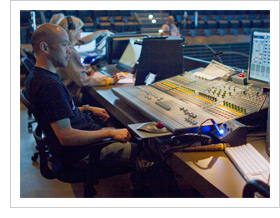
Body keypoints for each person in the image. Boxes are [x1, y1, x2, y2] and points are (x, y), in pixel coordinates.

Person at [24, 23, 143, 189]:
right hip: (82, 153)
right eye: (65, 45)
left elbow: (57, 114)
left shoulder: (38, 76)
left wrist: (86, 108)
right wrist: (109, 132)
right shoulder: (50, 85)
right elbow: (66, 136)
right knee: (147, 153)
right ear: (45, 47)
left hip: (81, 143)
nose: (69, 50)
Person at [56, 15, 125, 104]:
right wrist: (110, 80)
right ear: (72, 31)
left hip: (64, 95)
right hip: (70, 98)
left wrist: (83, 71)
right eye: (79, 29)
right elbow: (82, 81)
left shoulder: (63, 47)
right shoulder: (70, 51)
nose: (81, 31)